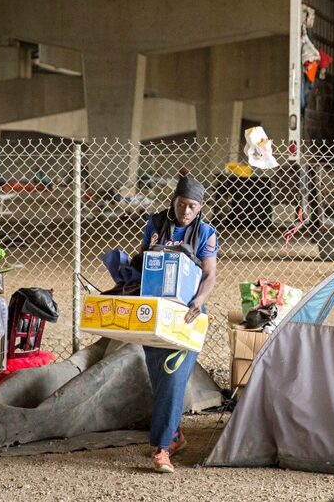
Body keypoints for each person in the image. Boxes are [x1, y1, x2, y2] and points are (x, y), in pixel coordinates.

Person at [140, 168, 218, 473]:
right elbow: (146, 261)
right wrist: (149, 247)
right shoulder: (155, 223)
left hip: (188, 315)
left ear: (200, 208)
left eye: (193, 207)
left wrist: (199, 301)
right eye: (181, 204)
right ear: (173, 200)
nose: (186, 211)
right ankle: (173, 435)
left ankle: (161, 451)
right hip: (157, 312)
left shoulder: (205, 233)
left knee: (172, 375)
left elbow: (210, 274)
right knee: (159, 377)